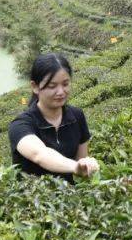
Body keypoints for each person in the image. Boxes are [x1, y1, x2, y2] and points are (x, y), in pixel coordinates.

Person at [9, 53, 99, 182]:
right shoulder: (20, 125)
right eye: (52, 86)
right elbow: (39, 154)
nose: (61, 92)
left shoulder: (77, 116)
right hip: (32, 199)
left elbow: (82, 164)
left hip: (69, 198)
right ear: (35, 86)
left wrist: (85, 166)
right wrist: (74, 166)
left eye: (66, 84)